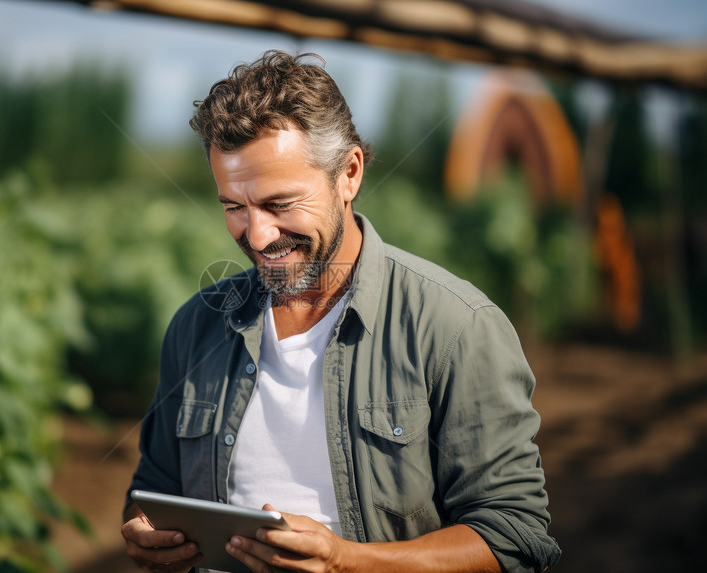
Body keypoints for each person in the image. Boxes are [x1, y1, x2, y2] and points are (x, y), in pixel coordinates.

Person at [121, 50, 561, 573]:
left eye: (280, 204)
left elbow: (514, 536)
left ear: (348, 174)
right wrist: (143, 531)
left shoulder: (455, 327)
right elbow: (154, 485)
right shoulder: (196, 326)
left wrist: (347, 562)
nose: (257, 235)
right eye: (234, 207)